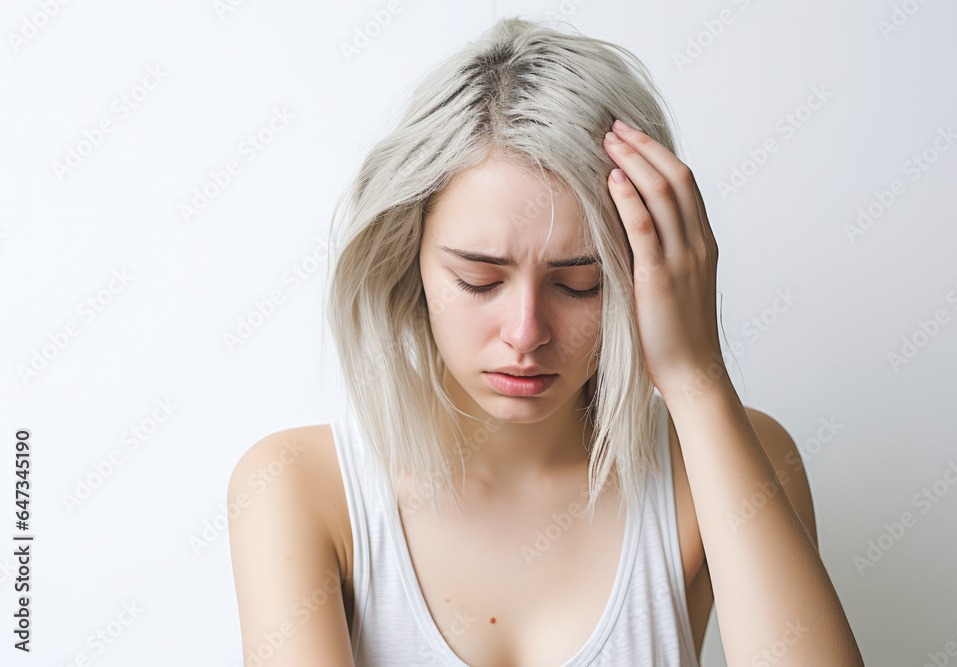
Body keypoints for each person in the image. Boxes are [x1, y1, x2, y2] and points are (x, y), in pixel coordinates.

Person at [228, 16, 864, 667]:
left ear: (642, 276)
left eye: (581, 284)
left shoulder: (726, 463)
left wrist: (696, 375)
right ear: (408, 258)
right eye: (478, 280)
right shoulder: (299, 486)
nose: (526, 332)